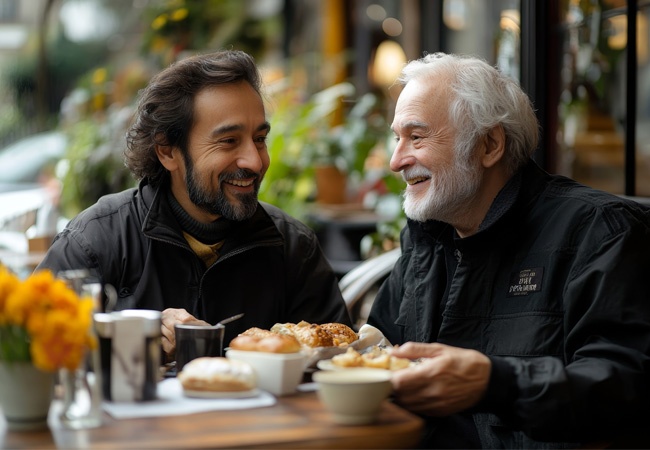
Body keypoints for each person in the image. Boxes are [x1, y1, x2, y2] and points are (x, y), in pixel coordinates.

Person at [367, 52, 650, 448]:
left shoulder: (598, 233)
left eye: (416, 137)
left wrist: (496, 383)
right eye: (397, 138)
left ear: (489, 145)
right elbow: (376, 353)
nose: (397, 160)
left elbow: (627, 384)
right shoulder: (426, 240)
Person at [36, 50, 352, 360]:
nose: (255, 161)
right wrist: (131, 342)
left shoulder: (294, 247)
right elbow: (26, 352)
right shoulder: (96, 240)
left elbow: (339, 368)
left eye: (259, 139)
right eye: (228, 141)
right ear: (167, 151)